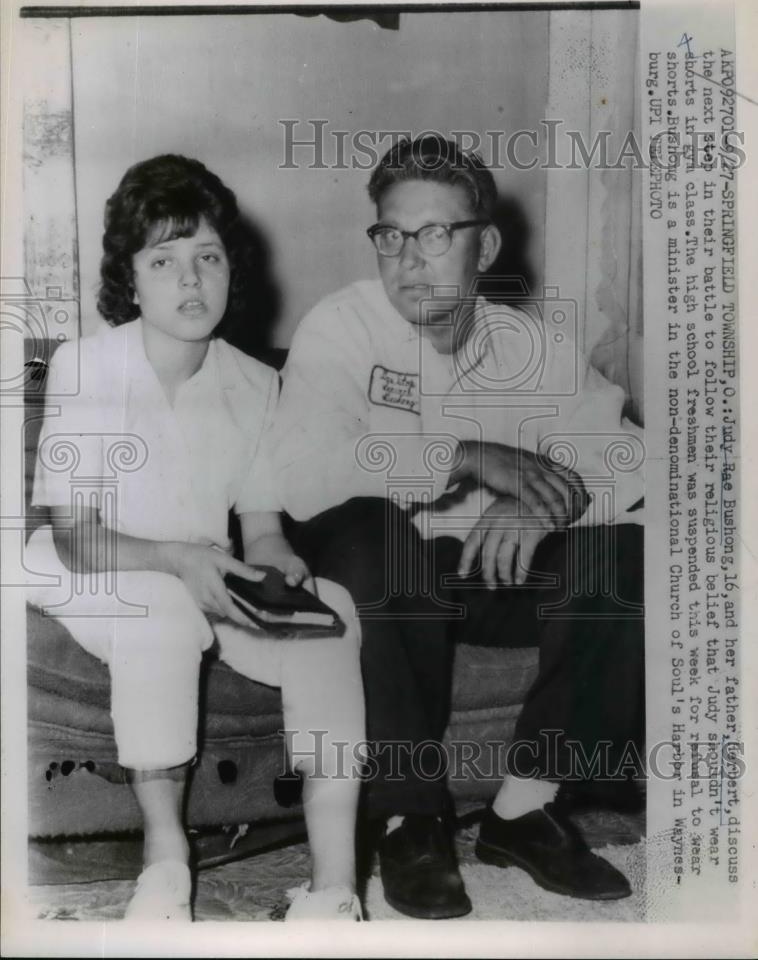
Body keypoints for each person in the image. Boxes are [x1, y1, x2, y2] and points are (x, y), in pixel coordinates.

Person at [271, 135, 645, 919]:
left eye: (438, 233)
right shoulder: (339, 329)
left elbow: (634, 460)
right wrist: (468, 455)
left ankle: (524, 808)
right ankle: (411, 818)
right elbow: (307, 476)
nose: (411, 257)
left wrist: (553, 495)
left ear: (487, 245)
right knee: (378, 532)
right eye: (392, 234)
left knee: (624, 551)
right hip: (378, 575)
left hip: (485, 570)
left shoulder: (533, 345)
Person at [26, 155, 365, 922]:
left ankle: (334, 886)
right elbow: (75, 535)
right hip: (88, 566)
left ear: (230, 270)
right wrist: (181, 560)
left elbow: (264, 530)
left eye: (207, 257)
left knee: (333, 611)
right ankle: (165, 863)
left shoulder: (255, 382)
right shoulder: (87, 365)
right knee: (161, 609)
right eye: (164, 259)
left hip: (197, 575)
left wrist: (283, 576)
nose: (190, 281)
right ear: (131, 278)